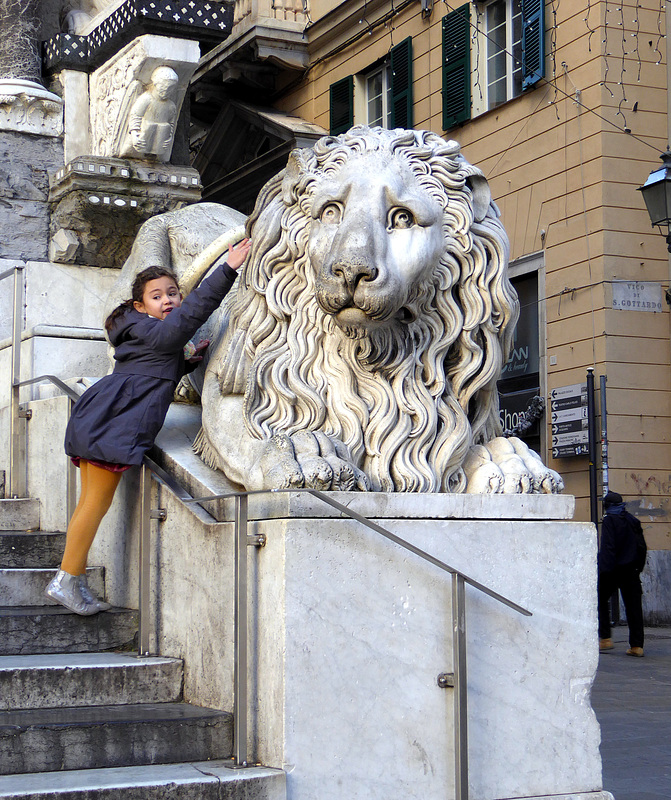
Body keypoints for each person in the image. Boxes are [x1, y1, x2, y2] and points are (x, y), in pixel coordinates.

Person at [45, 239, 251, 615]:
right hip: (114, 421)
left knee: (90, 503)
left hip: (105, 416)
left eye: (173, 293)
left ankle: (71, 577)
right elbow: (176, 331)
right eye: (157, 296)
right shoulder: (150, 329)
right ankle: (66, 579)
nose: (168, 300)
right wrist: (227, 270)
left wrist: (189, 361)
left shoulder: (146, 333)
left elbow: (157, 363)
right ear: (140, 306)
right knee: (95, 503)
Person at [598, 490, 647, 657]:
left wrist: (604, 570)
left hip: (613, 570)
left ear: (607, 506)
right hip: (631, 570)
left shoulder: (609, 521)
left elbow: (608, 547)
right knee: (634, 608)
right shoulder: (632, 520)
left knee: (601, 599)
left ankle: (605, 638)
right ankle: (637, 646)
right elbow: (642, 546)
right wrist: (637, 568)